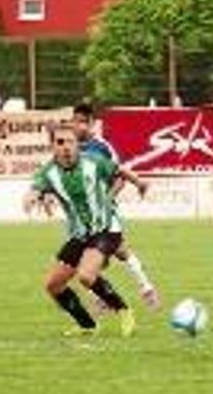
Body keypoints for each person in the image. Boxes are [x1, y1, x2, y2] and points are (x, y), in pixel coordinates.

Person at [23, 121, 149, 337]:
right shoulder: (48, 172)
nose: (66, 147)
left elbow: (119, 171)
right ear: (52, 146)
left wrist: (139, 183)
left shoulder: (94, 162)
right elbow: (35, 188)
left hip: (105, 229)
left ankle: (124, 310)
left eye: (70, 142)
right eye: (60, 142)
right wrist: (30, 199)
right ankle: (87, 325)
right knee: (53, 285)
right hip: (79, 233)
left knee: (86, 276)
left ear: (77, 145)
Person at [70, 102, 160, 310]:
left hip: (103, 212)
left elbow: (120, 176)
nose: (78, 126)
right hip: (83, 215)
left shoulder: (101, 147)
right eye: (75, 121)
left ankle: (146, 289)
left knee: (120, 251)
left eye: (82, 122)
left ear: (92, 123)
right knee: (90, 258)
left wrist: (107, 199)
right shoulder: (72, 147)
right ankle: (104, 297)